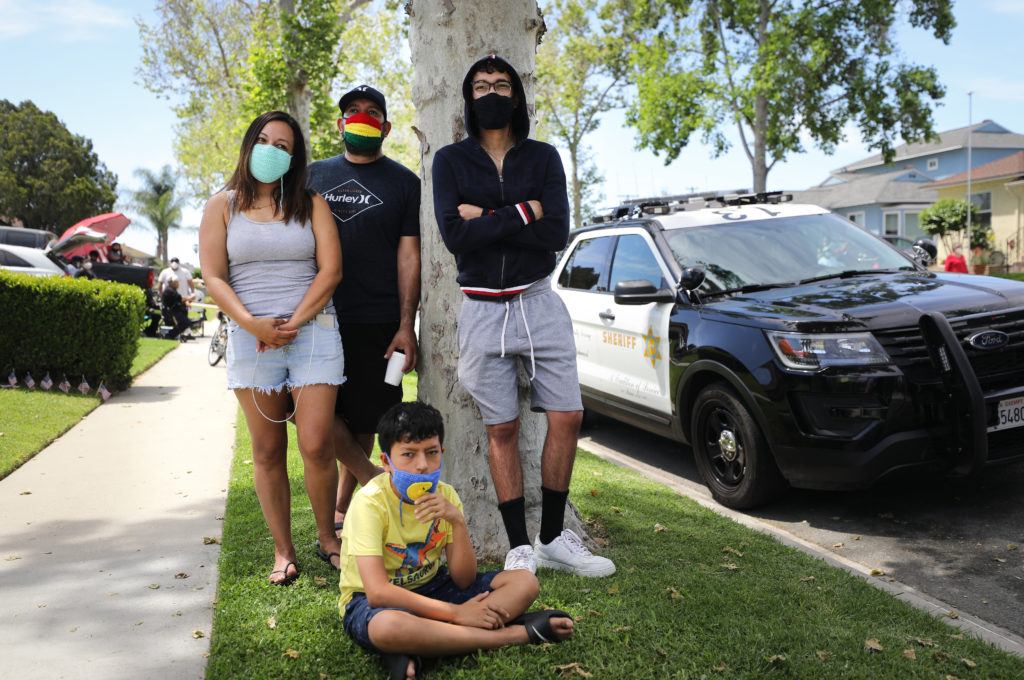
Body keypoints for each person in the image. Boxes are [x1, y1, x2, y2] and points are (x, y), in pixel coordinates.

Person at [432, 55, 615, 577]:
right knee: (502, 428)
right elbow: (455, 236)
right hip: (481, 309)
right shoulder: (449, 161)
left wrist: (487, 217)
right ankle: (520, 547)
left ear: (516, 96)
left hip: (538, 300)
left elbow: (555, 233)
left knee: (568, 416)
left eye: (501, 84)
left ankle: (552, 538)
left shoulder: (544, 157)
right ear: (468, 98)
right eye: (481, 86)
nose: (491, 92)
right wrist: (523, 211)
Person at [199, 110, 345, 585]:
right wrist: (253, 325)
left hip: (313, 332)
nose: (271, 150)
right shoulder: (220, 206)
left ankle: (328, 538)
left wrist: (291, 323)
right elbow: (213, 276)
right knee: (266, 450)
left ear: (294, 157)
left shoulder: (311, 203)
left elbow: (331, 271)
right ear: (248, 145)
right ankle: (283, 551)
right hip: (250, 338)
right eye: (263, 140)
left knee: (317, 443)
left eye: (282, 146)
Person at [338, 401, 573, 680]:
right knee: (388, 627)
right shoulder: (369, 503)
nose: (422, 465)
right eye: (408, 454)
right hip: (371, 602)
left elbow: (464, 580)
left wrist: (457, 522)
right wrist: (456, 613)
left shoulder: (446, 496)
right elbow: (378, 592)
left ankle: (422, 642)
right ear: (387, 462)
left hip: (433, 587)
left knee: (525, 582)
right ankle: (513, 634)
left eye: (432, 452)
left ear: (442, 453)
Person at [307, 84, 421, 537]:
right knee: (316, 414)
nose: (361, 117)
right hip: (318, 317)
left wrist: (406, 323)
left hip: (380, 321)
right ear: (340, 123)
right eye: (353, 111)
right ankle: (374, 479)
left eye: (372, 112)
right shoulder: (311, 176)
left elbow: (409, 256)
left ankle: (342, 509)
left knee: (367, 417)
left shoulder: (405, 183)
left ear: (386, 127)